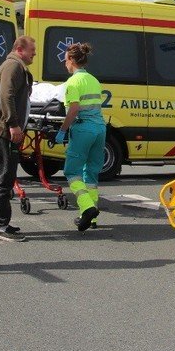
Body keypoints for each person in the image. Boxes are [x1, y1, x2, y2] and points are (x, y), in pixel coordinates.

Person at [0, 36, 36, 243]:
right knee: (4, 176)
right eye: (32, 50)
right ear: (19, 49)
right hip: (5, 131)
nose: (34, 53)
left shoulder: (13, 67)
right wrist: (13, 124)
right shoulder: (13, 67)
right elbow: (6, 96)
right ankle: (0, 225)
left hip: (2, 129)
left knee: (1, 175)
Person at [55, 42, 107, 232]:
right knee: (91, 173)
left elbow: (74, 109)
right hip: (100, 129)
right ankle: (92, 218)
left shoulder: (72, 82)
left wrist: (62, 130)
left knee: (72, 172)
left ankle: (87, 208)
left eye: (65, 59)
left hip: (83, 129)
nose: (64, 62)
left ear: (71, 60)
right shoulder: (93, 80)